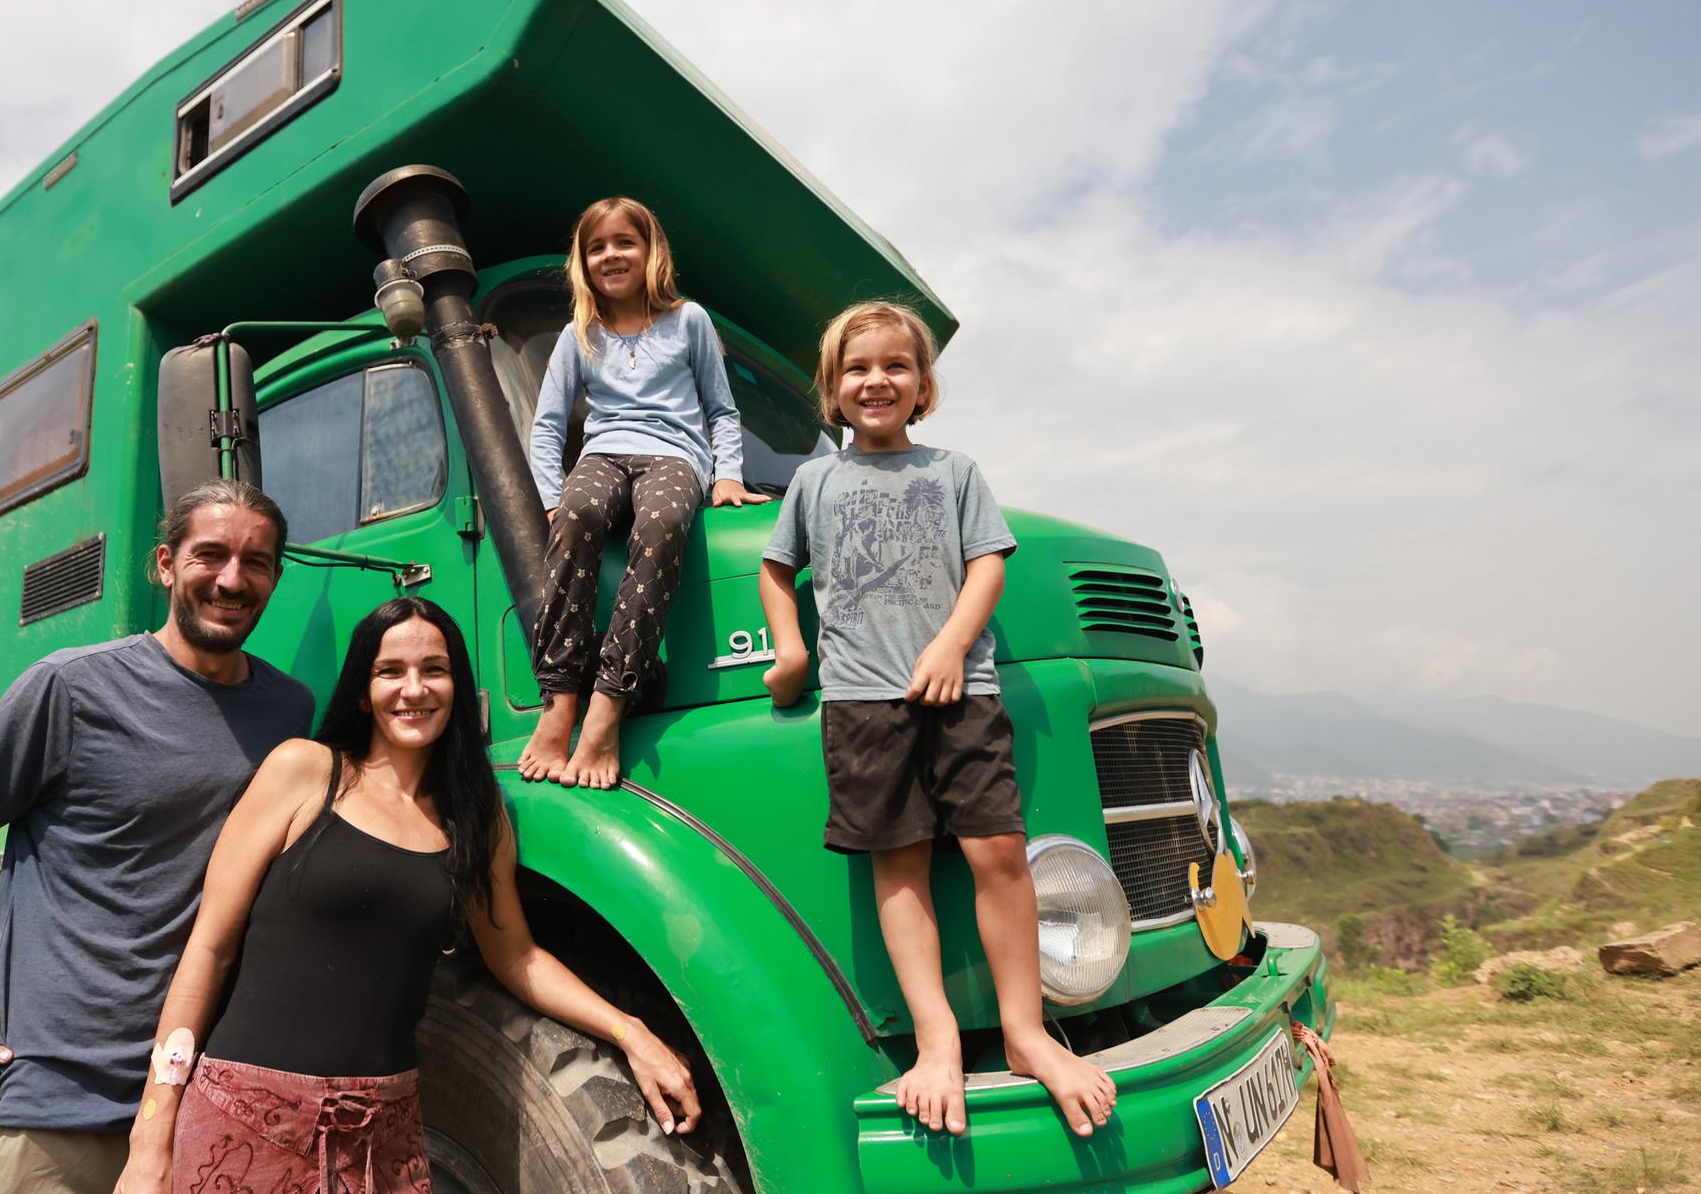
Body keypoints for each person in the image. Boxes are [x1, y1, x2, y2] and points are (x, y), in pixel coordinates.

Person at [112, 597, 703, 1194]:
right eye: (390, 671)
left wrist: (631, 1033)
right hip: (245, 1126)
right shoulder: (304, 771)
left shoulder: (475, 819)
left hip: (384, 1142)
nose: (413, 689)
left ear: (457, 685)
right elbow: (209, 949)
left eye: (434, 670)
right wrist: (151, 1137)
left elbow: (517, 958)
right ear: (363, 689)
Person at [0, 479, 315, 1194]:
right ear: (167, 564)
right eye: (211, 555)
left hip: (185, 1110)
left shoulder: (288, 709)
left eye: (256, 562)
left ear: (274, 577)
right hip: (40, 1120)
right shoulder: (71, 688)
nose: (233, 579)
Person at [755, 301, 1116, 1140]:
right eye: (856, 369)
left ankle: (1027, 1036)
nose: (875, 380)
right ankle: (937, 1042)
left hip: (962, 690)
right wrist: (791, 649)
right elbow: (778, 572)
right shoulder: (813, 482)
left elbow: (988, 563)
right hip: (860, 698)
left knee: (998, 853)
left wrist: (953, 645)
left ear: (923, 385)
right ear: (832, 392)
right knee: (899, 867)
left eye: (894, 366)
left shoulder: (954, 471)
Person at [518, 196, 769, 789]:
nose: (612, 255)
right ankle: (559, 700)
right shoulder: (578, 333)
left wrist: (727, 474)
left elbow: (721, 409)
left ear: (650, 250)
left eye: (624, 242)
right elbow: (549, 424)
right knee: (577, 512)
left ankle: (608, 702)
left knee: (658, 527)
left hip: (674, 455)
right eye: (597, 247)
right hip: (604, 452)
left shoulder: (690, 321)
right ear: (583, 262)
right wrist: (553, 496)